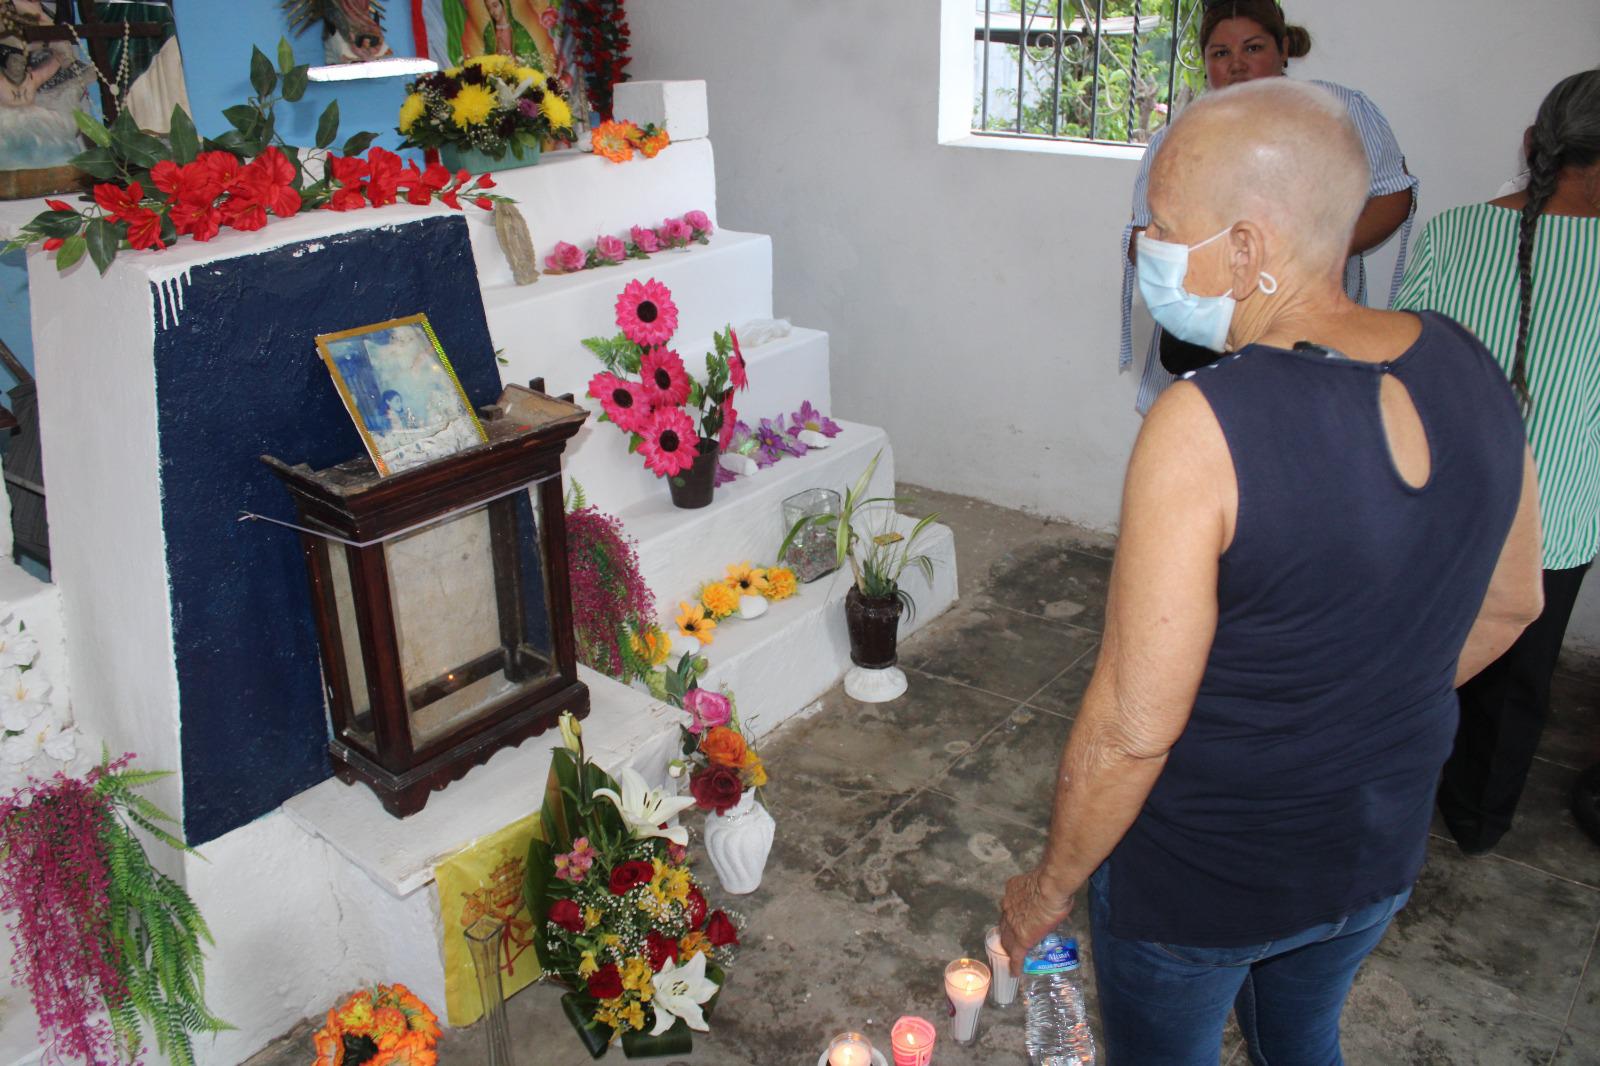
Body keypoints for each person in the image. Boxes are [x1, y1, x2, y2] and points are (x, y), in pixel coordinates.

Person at [1000, 79, 1543, 1063]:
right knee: (1300, 1036)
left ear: (1247, 247)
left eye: (1162, 226)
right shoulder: (1472, 365)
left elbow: (1130, 727)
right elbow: (1513, 601)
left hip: (1204, 874)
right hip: (1373, 849)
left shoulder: (1205, 425)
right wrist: (1355, 711)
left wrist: (1046, 885)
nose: (1146, 248)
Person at [1393, 70, 1600, 854]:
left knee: (1418, 660)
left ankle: (1397, 794)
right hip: (1558, 518)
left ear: (1533, 144)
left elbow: (1399, 374)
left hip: (1436, 505)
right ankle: (1477, 821)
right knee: (1517, 682)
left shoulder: (1449, 232)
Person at [1119, 0, 1418, 413]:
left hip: (1312, 334)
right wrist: (1192, 254)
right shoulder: (1179, 139)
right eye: (1221, 54)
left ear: (1282, 51)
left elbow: (1393, 195)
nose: (1237, 64)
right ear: (1205, 63)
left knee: (1303, 441)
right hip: (1204, 346)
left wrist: (1316, 254)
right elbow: (1140, 235)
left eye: (1253, 48)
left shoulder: (1337, 113)